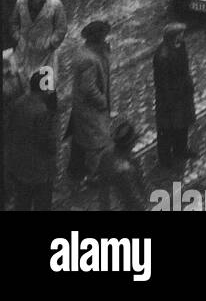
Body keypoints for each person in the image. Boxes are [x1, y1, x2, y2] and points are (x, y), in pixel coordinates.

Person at [67, 19, 112, 187]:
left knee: (83, 138)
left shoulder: (95, 51)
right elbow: (88, 87)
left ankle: (77, 169)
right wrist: (102, 102)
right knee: (96, 141)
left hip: (89, 107)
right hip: (89, 108)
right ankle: (94, 175)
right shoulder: (88, 59)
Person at [6, 71, 57, 210]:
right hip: (37, 169)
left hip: (18, 164)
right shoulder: (42, 111)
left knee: (22, 201)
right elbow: (46, 141)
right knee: (42, 203)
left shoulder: (18, 102)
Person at [152, 23, 196, 171]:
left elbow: (185, 67)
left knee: (182, 124)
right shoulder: (162, 55)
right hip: (169, 97)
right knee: (167, 129)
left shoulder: (180, 45)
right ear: (173, 36)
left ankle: (181, 149)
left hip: (183, 94)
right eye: (180, 33)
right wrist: (169, 99)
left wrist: (188, 84)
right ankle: (165, 159)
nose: (182, 36)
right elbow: (162, 81)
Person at [12, 0, 67, 90]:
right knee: (24, 84)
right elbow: (14, 22)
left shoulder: (55, 4)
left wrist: (51, 43)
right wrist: (17, 36)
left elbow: (61, 28)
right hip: (24, 50)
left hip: (45, 51)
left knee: (46, 86)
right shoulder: (20, 2)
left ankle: (48, 106)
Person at [100, 119, 148, 211]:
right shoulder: (124, 168)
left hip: (106, 203)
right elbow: (133, 198)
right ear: (130, 144)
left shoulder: (107, 155)